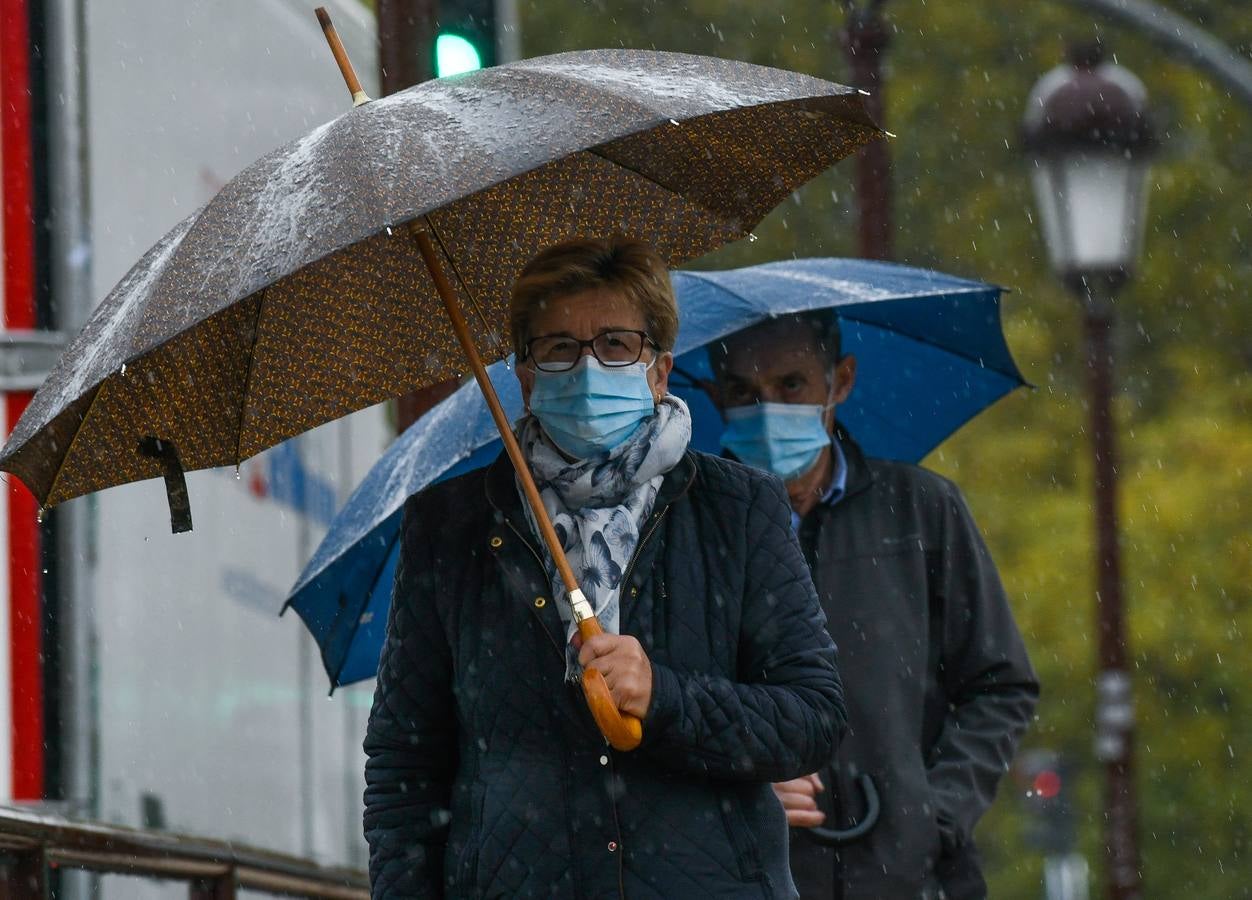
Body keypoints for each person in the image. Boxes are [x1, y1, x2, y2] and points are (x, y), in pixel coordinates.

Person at [363, 237, 846, 899]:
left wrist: (665, 698)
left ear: (659, 371)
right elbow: (405, 763)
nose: (588, 369)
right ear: (525, 377)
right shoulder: (451, 526)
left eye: (616, 345)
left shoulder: (737, 508)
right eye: (559, 348)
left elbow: (813, 717)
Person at [711, 313, 1039, 900]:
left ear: (841, 381)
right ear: (716, 398)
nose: (767, 410)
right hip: (749, 879)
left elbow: (999, 685)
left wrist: (932, 816)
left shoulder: (922, 510)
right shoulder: (690, 528)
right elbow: (667, 707)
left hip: (915, 880)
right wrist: (738, 788)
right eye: (743, 391)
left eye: (791, 384)